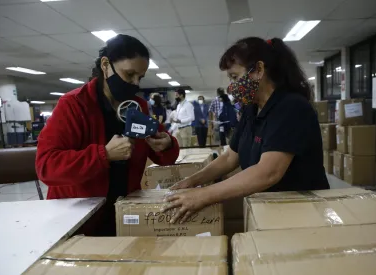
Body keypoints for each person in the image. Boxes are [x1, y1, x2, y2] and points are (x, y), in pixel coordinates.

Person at [163, 37, 329, 223]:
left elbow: (268, 172)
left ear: (258, 70)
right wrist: (192, 181)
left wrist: (203, 195)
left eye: (235, 77)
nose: (232, 86)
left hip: (303, 212)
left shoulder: (291, 107)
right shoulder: (251, 109)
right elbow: (229, 158)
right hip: (271, 207)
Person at [35, 34, 180, 234]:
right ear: (106, 65)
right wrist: (104, 154)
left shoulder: (139, 107)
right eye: (129, 75)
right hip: (79, 219)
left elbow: (167, 158)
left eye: (140, 77)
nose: (135, 83)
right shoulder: (74, 105)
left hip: (125, 214)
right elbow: (47, 167)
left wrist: (167, 144)